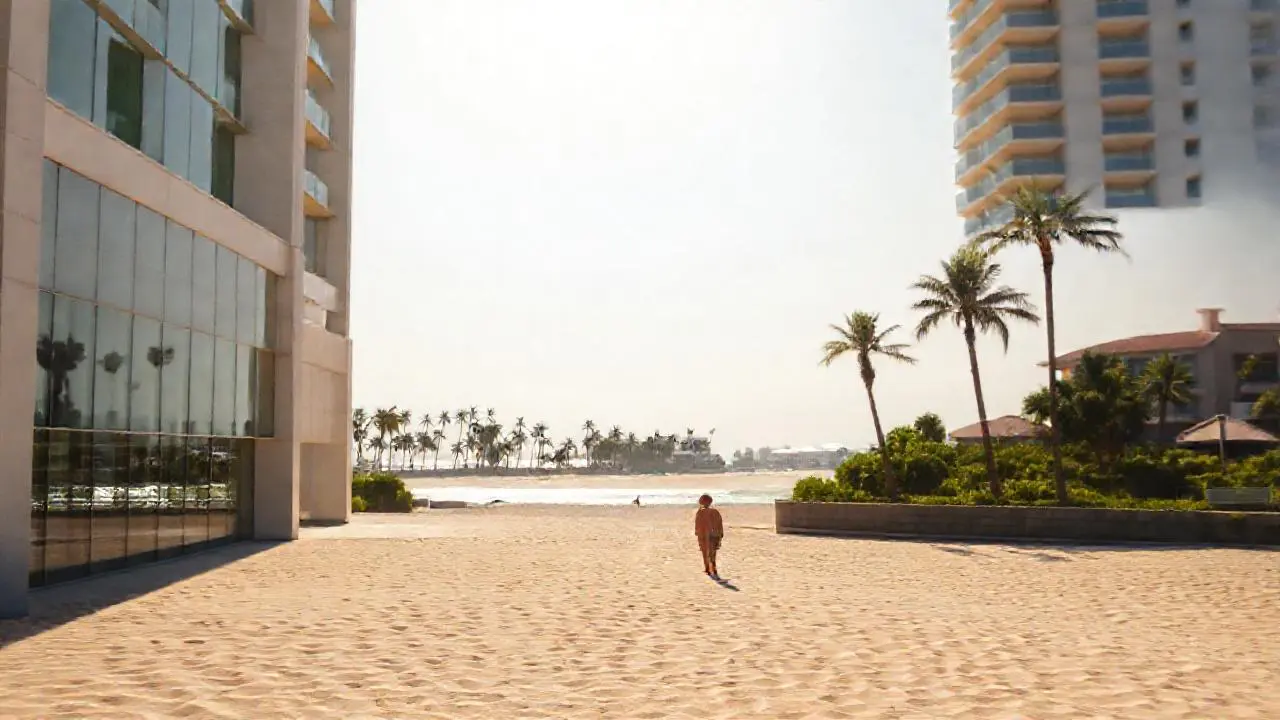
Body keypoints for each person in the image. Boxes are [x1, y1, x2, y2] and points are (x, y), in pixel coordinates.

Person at [693, 494, 724, 578]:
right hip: (715, 534)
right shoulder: (715, 512)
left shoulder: (700, 512)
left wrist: (697, 532)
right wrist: (721, 534)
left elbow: (697, 524)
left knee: (705, 552)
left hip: (703, 534)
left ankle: (707, 568)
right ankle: (713, 568)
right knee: (713, 552)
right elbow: (720, 523)